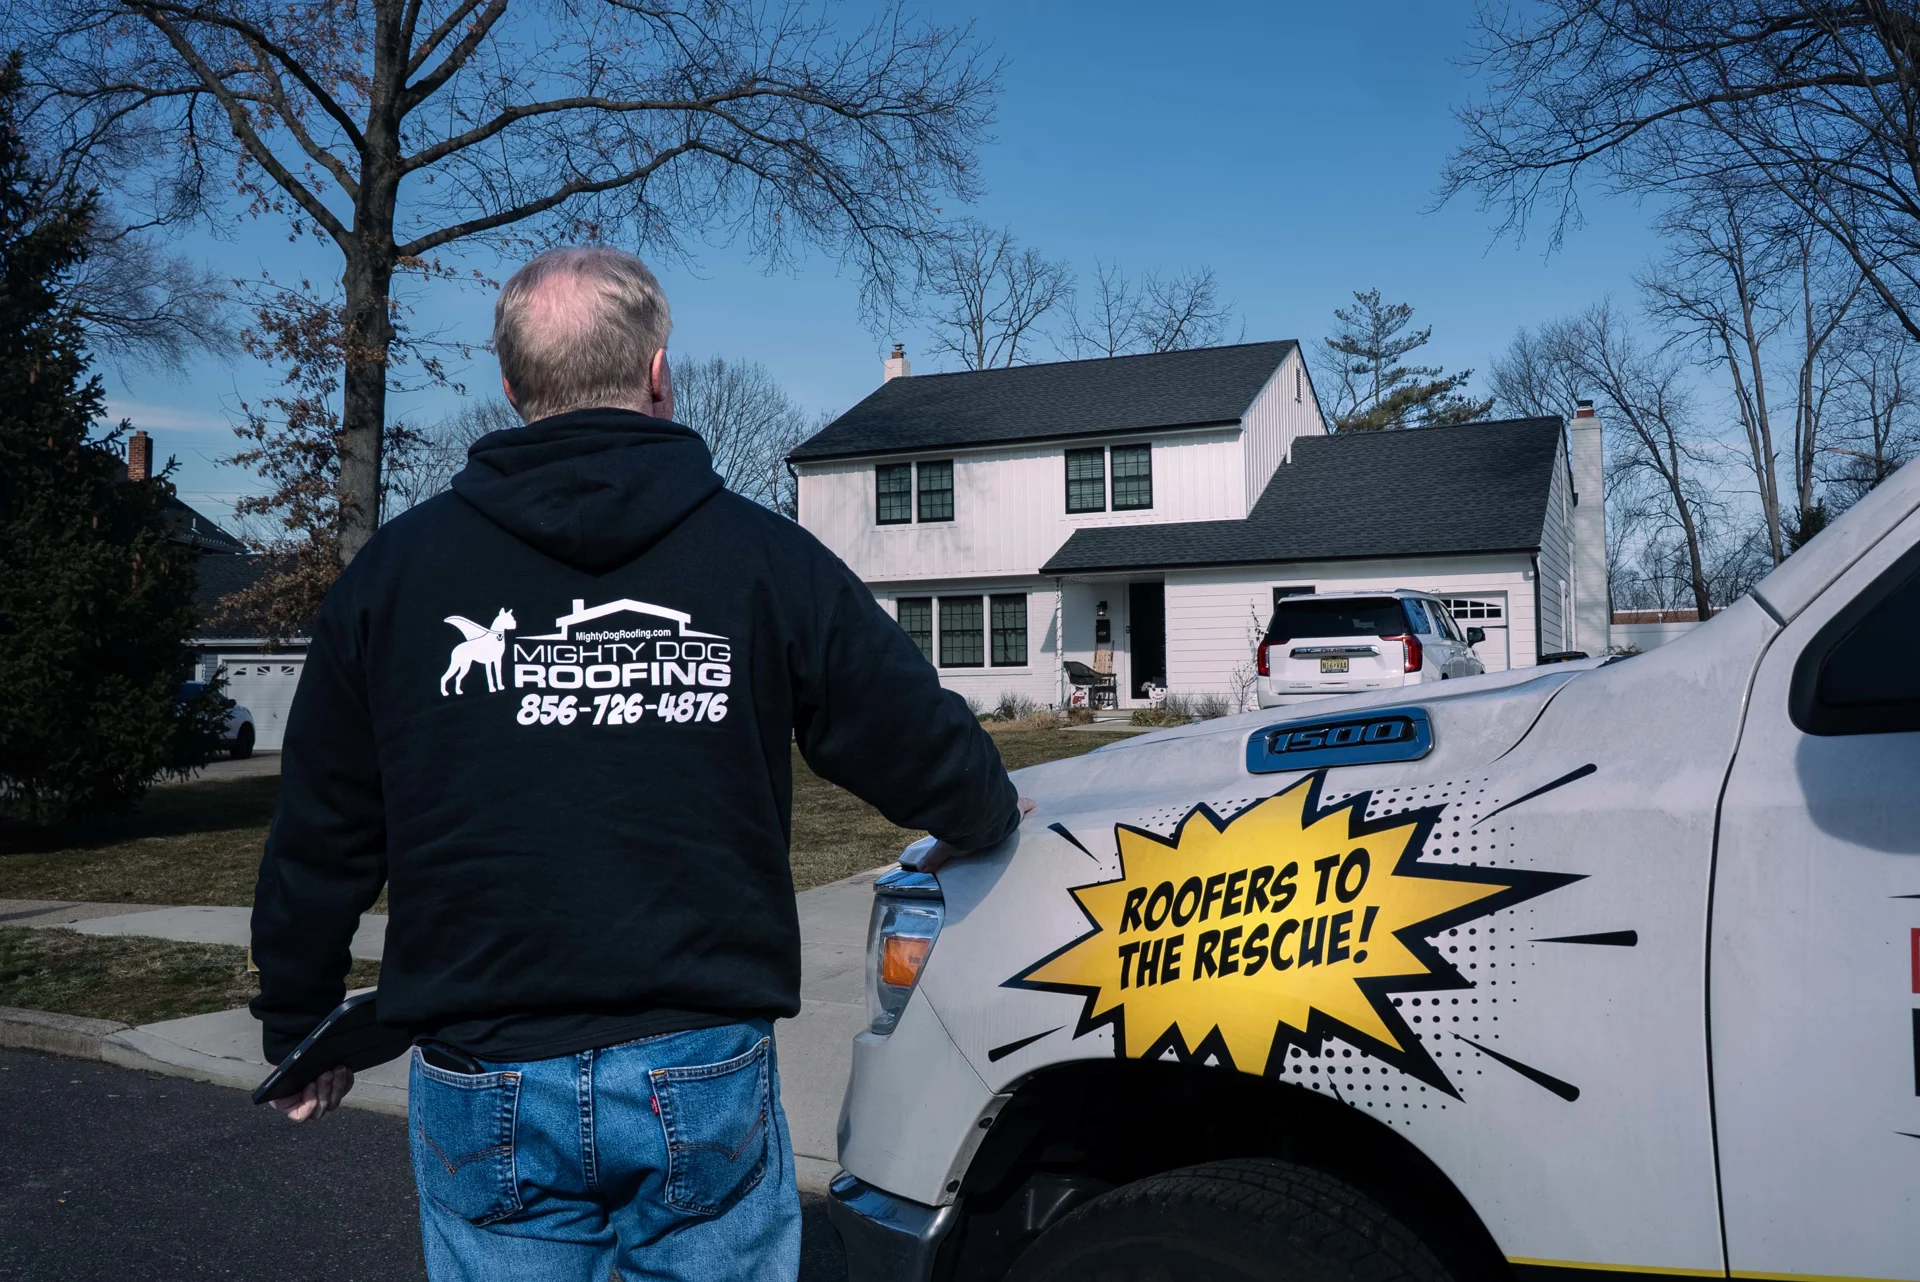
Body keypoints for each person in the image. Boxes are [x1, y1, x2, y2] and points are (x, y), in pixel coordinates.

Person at [250, 245, 1024, 1281]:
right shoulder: (764, 558)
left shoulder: (394, 574)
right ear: (660, 372)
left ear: (512, 383)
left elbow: (323, 823)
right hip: (694, 1057)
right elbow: (916, 741)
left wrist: (299, 1016)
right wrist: (985, 813)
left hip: (484, 1064)